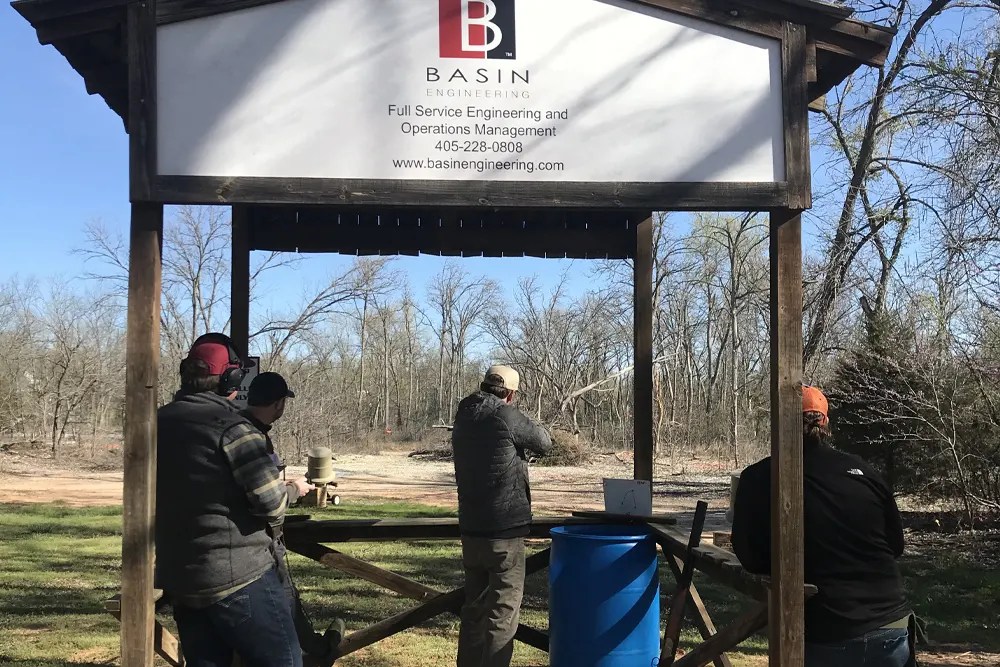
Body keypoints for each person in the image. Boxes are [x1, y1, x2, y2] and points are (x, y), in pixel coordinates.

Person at [156, 333, 313, 667]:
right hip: (238, 579)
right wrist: (293, 490)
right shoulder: (233, 429)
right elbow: (271, 504)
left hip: (181, 579)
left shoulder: (154, 425)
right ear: (233, 378)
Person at [731, 385, 914, 667]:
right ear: (826, 422)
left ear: (779, 423)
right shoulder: (864, 471)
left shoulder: (758, 477)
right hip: (890, 625)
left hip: (825, 633)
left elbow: (750, 557)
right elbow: (896, 546)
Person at [451, 364, 552, 667]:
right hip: (504, 531)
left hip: (471, 529)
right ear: (510, 394)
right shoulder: (506, 415)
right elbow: (544, 442)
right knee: (502, 617)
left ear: (483, 385)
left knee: (473, 613)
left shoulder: (464, 412)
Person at [242, 371, 344, 664]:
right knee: (283, 617)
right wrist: (294, 489)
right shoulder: (252, 438)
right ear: (277, 404)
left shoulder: (238, 430)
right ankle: (313, 651)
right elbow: (266, 500)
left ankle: (312, 648)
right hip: (258, 551)